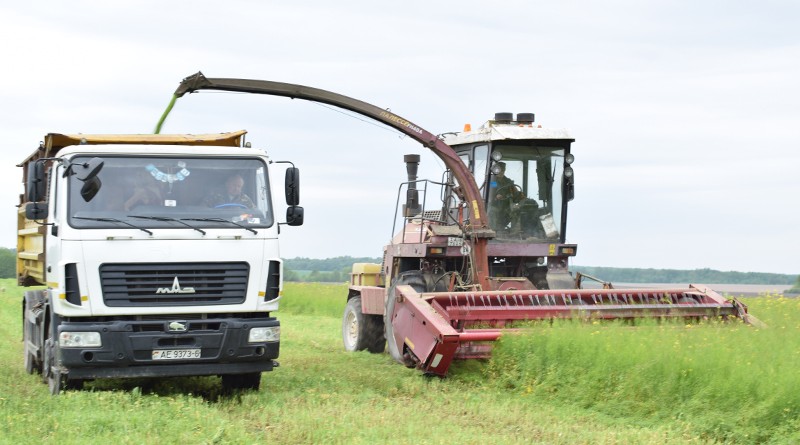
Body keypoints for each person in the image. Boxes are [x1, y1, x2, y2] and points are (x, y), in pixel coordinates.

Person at [488, 162, 524, 230]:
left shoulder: (508, 182)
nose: (502, 172)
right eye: (500, 170)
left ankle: (515, 232)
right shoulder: (493, 181)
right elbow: (491, 193)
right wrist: (496, 197)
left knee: (517, 211)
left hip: (506, 207)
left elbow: (515, 193)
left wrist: (520, 196)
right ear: (496, 170)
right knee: (492, 211)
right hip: (494, 205)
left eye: (503, 170)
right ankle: (493, 232)